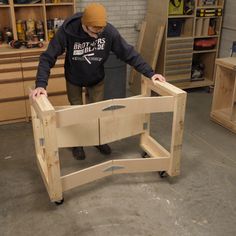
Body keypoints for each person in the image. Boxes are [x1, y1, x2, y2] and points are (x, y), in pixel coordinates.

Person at [30, 3, 166, 160]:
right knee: (76, 112)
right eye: (94, 31)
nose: (97, 35)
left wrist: (150, 73)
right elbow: (48, 57)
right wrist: (41, 84)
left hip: (96, 77)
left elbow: (129, 53)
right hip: (74, 76)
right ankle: (77, 143)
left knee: (97, 111)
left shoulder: (108, 32)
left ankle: (98, 140)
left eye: (100, 30)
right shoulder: (68, 31)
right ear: (84, 24)